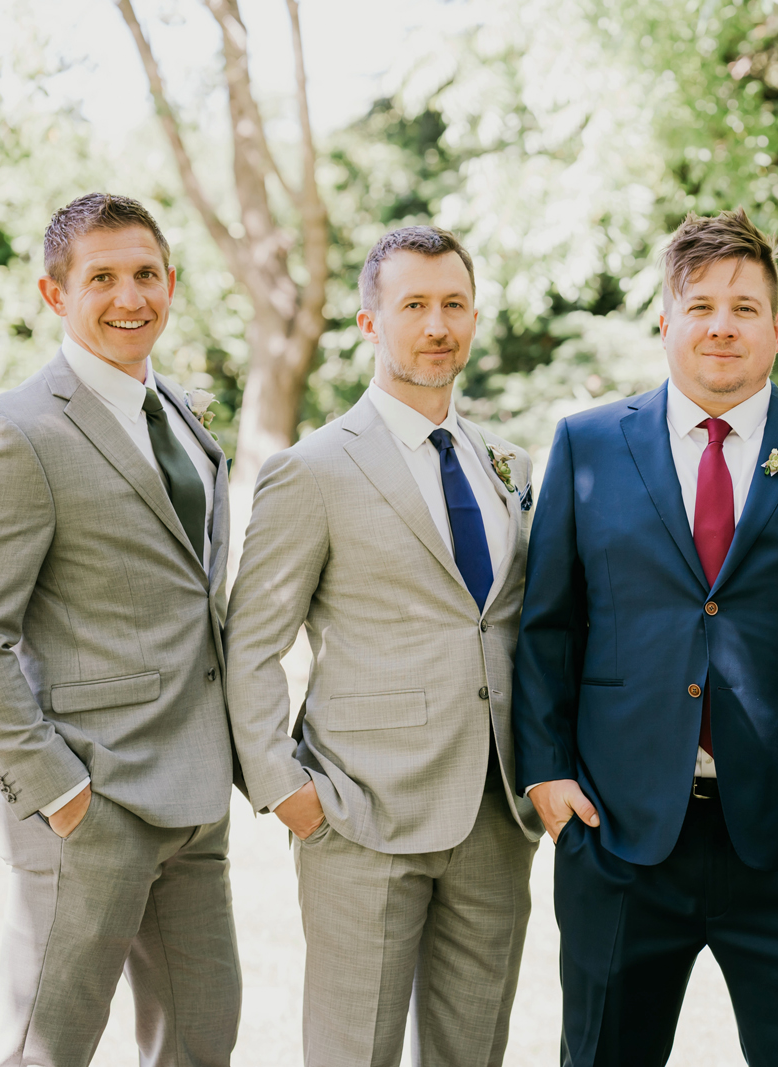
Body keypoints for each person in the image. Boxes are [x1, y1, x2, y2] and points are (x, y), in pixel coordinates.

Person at [512, 208, 778, 1066]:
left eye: (745, 306)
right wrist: (548, 775)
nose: (721, 324)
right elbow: (549, 622)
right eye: (700, 304)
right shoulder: (587, 445)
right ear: (664, 321)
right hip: (619, 833)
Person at [0, 193, 239, 1067]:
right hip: (89, 801)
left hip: (194, 797)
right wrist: (60, 791)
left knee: (201, 1041)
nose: (129, 296)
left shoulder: (177, 410)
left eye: (145, 274)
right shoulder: (14, 432)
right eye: (101, 277)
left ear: (171, 283)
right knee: (43, 1051)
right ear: (54, 293)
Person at [225, 226, 542, 1067]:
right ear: (370, 323)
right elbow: (250, 642)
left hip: (493, 814)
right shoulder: (314, 469)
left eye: (453, 305)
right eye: (414, 306)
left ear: (474, 317)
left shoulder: (504, 462)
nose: (437, 325)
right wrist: (285, 790)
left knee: (474, 1051)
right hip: (358, 813)